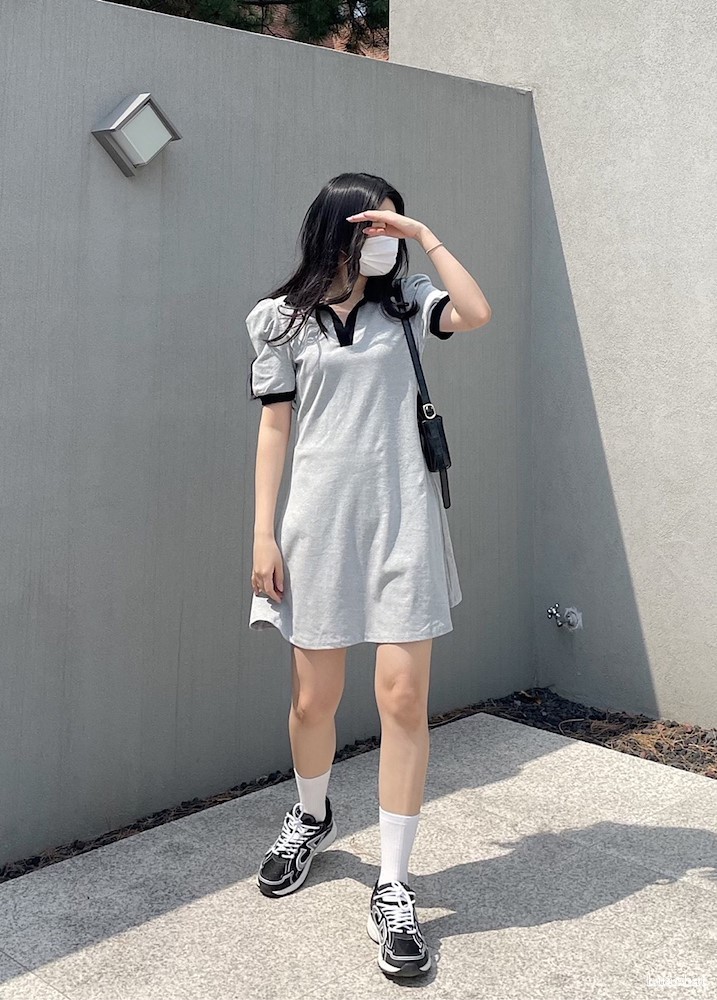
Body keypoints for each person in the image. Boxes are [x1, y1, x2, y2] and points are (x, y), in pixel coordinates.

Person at [246, 172, 492, 979]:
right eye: (373, 226)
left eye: (391, 226)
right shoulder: (279, 320)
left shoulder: (409, 303)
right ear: (337, 231)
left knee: (402, 700)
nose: (385, 239)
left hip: (403, 525)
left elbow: (476, 312)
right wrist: (263, 535)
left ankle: (393, 884)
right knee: (312, 701)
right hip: (317, 529)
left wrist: (424, 236)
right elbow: (275, 430)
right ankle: (311, 815)